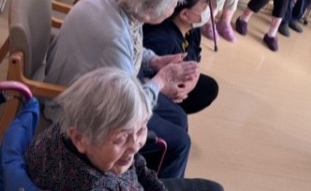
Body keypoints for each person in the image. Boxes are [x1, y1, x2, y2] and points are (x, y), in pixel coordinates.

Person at [44, 0, 199, 179]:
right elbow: (132, 108)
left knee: (178, 117)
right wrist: (161, 81)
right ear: (151, 9)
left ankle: (142, 173)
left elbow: (130, 45)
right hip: (76, 111)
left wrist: (154, 61)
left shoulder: (113, 0)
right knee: (179, 144)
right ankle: (136, 180)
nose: (173, 10)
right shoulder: (113, 38)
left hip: (94, 85)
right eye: (172, 5)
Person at [26, 67, 224, 191]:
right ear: (79, 139)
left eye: (141, 130)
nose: (135, 145)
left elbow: (135, 164)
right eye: (120, 139)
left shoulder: (77, 124)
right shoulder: (91, 183)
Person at [143, 0, 219, 114]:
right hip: (151, 91)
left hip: (178, 77)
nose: (209, 10)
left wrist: (193, 78)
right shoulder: (161, 41)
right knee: (208, 89)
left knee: (208, 87)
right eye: (204, 6)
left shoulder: (193, 29)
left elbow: (195, 57)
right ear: (185, 14)